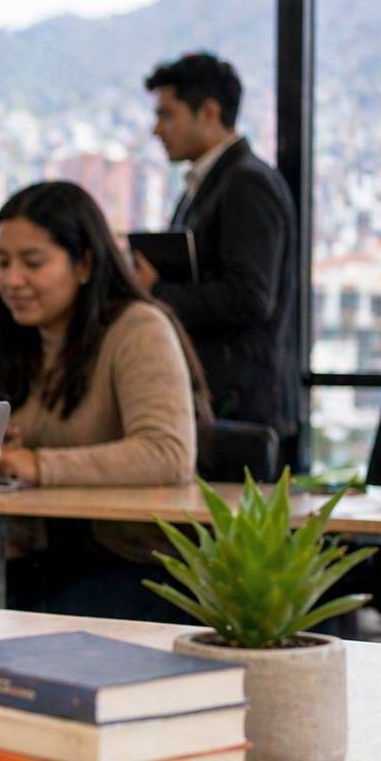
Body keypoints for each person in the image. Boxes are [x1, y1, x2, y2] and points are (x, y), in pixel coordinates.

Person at [0, 181, 211, 621]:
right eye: (3, 262)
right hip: (15, 552)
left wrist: (37, 464)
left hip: (133, 561)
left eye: (33, 263)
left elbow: (167, 454)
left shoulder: (137, 328)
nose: (12, 280)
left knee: (37, 622)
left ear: (84, 263)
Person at [136, 52, 300, 467]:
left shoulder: (246, 183)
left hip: (242, 410)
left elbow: (249, 296)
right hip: (223, 402)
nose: (157, 130)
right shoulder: (207, 183)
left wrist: (155, 291)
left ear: (208, 112)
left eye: (167, 115)